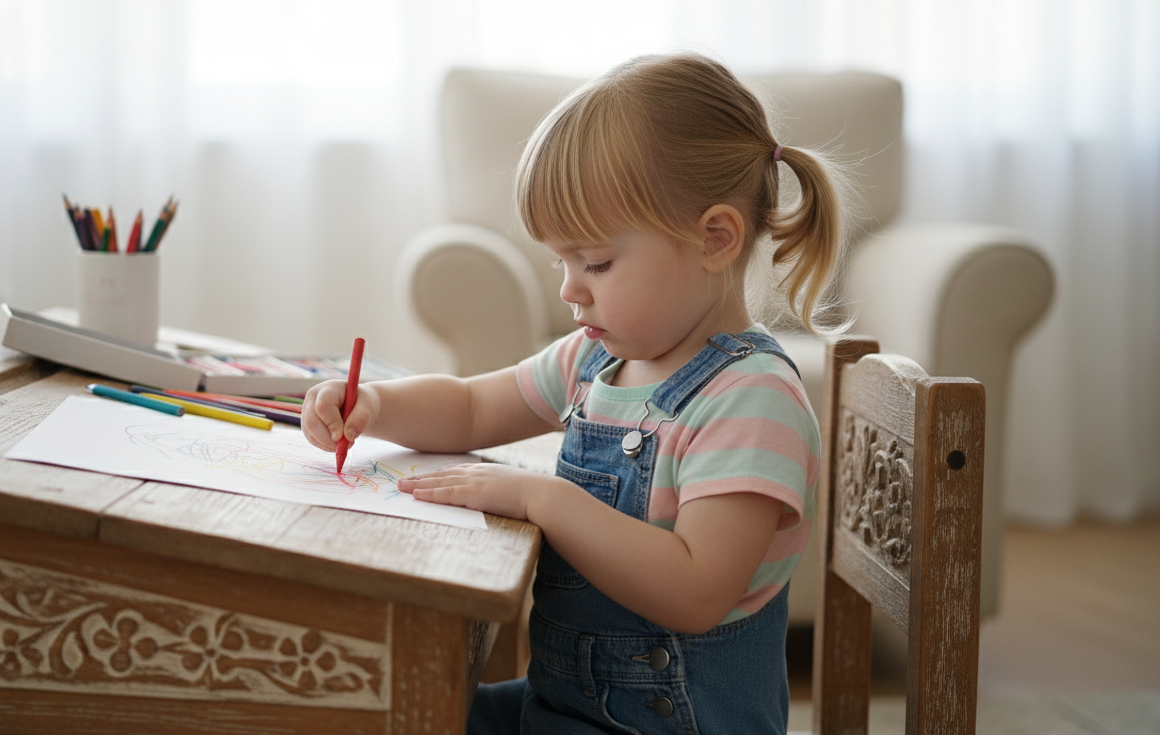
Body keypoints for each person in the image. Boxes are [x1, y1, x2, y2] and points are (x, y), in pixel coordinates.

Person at [302, 51, 849, 735]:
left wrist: (542, 498)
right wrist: (379, 407)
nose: (569, 287)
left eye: (595, 262)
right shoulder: (598, 358)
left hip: (668, 727)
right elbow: (473, 406)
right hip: (563, 706)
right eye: (560, 261)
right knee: (387, 711)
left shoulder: (752, 400)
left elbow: (697, 590)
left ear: (715, 238)